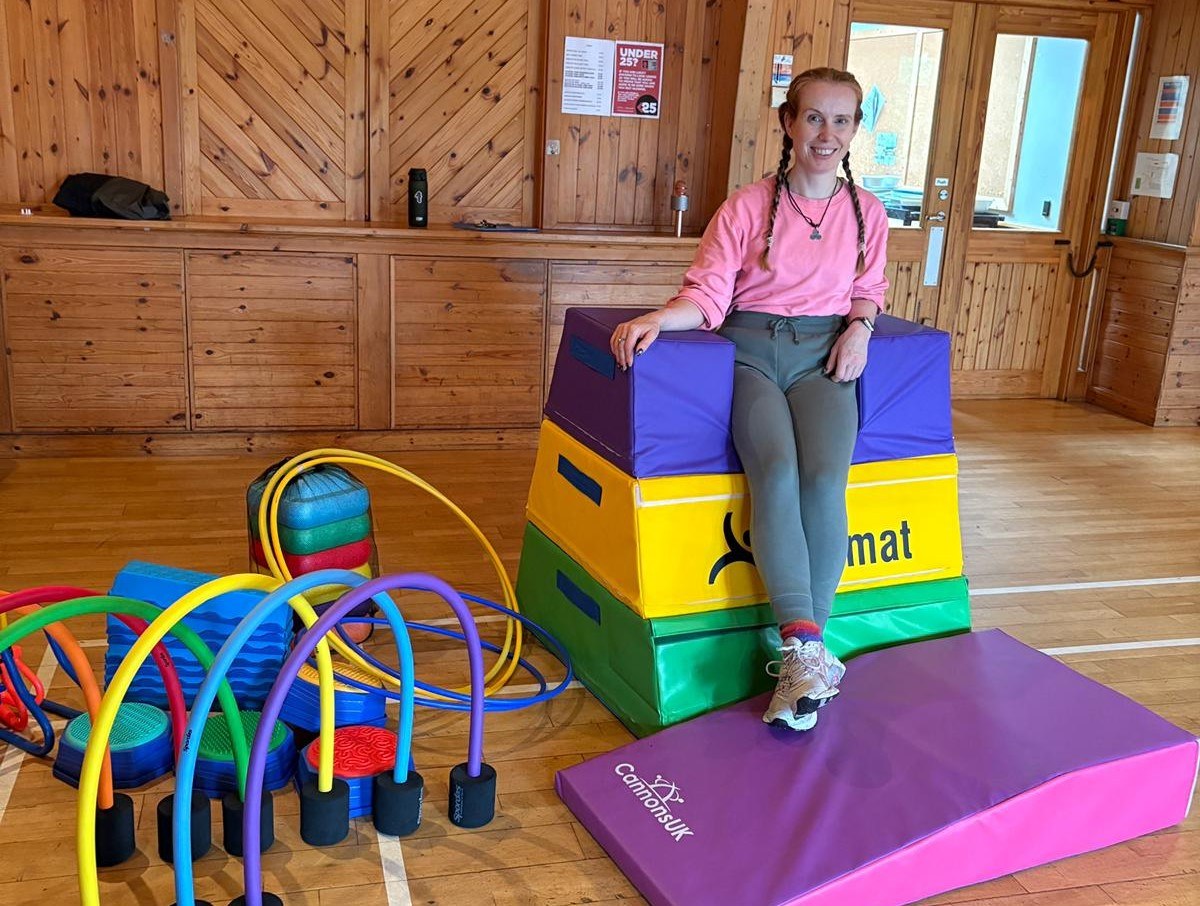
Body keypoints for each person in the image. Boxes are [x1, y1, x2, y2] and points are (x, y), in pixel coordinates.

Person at [609, 67, 889, 732]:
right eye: (813, 118)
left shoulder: (867, 212)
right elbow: (707, 296)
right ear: (789, 124)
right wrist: (657, 318)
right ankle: (804, 647)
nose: (827, 133)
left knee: (825, 478)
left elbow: (868, 288)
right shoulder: (746, 206)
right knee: (778, 471)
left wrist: (861, 327)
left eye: (841, 120)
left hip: (824, 356)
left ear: (854, 132)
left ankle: (805, 656)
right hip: (753, 351)